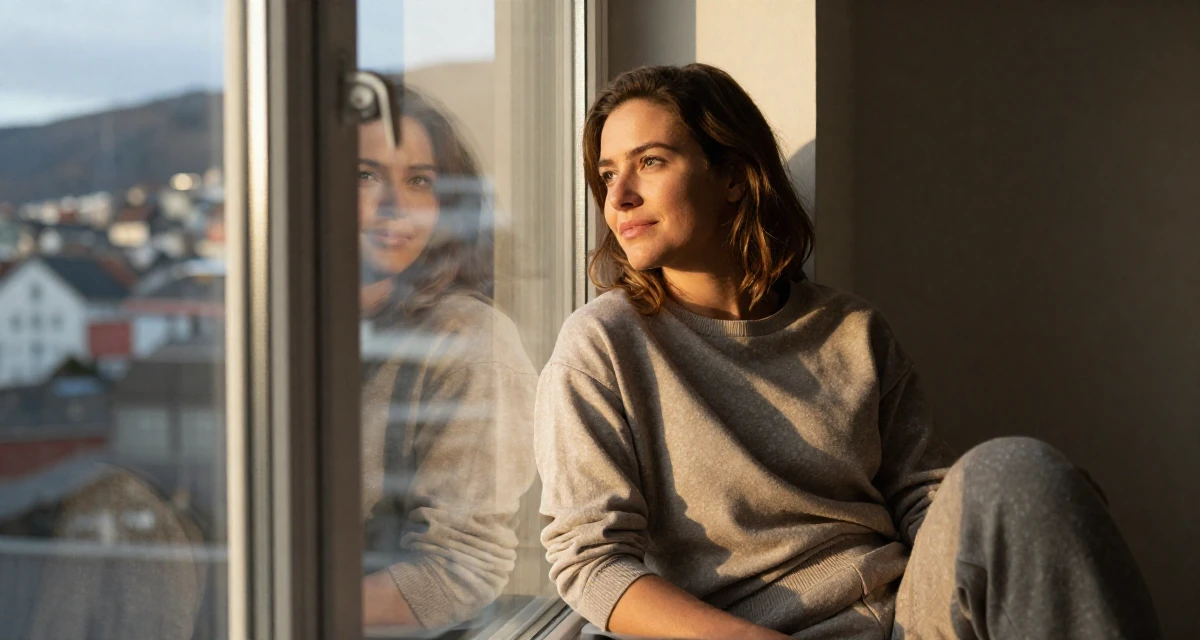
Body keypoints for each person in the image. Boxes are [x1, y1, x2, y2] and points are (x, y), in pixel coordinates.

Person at [534, 63, 1162, 640]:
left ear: (730, 176)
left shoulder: (851, 329)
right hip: (746, 632)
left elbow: (923, 496)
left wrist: (1035, 509)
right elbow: (591, 562)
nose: (618, 199)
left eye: (649, 162)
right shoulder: (603, 345)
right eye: (608, 174)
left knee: (1020, 469)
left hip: (905, 620)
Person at [356, 80, 539, 631]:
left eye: (420, 182)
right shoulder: (282, 330)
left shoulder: (469, 341)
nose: (395, 207)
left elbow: (458, 571)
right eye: (364, 176)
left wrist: (276, 608)